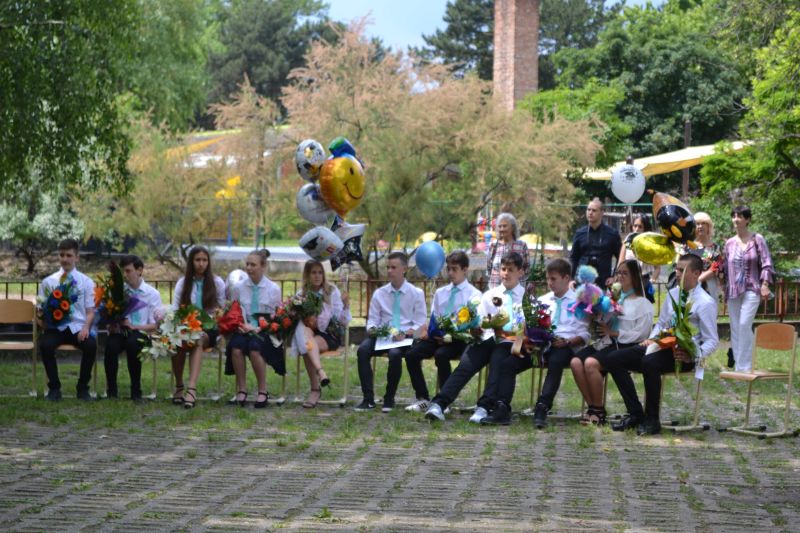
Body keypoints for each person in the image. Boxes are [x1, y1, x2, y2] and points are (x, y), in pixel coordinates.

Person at [597, 254, 718, 435]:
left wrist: (693, 355)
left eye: (682, 270)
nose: (677, 273)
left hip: (683, 354)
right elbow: (661, 324)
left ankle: (652, 419)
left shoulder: (705, 302)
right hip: (660, 345)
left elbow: (712, 340)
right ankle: (636, 413)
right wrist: (652, 339)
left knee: (649, 362)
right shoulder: (673, 294)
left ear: (696, 273)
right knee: (613, 358)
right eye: (676, 269)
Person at [424, 252, 526, 423]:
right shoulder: (490, 295)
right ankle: (439, 404)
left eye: (510, 270)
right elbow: (478, 319)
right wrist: (475, 329)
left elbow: (525, 326)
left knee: (497, 361)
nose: (506, 273)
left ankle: (484, 407)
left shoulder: (526, 297)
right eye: (503, 269)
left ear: (520, 272)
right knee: (466, 365)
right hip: (486, 339)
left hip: (509, 342)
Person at [569, 259, 653, 425]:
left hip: (625, 345)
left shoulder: (643, 303)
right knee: (575, 362)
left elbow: (642, 333)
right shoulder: (609, 299)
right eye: (617, 273)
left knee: (591, 363)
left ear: (635, 277)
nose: (619, 276)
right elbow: (600, 322)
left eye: (625, 273)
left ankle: (598, 412)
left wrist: (614, 332)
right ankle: (593, 407)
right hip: (606, 342)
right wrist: (594, 314)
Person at [403, 251, 481, 412]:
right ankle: (423, 398)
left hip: (458, 339)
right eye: (448, 269)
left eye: (454, 269)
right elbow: (435, 317)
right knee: (411, 354)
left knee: (441, 355)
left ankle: (443, 401)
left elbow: (471, 322)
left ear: (465, 269)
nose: (450, 273)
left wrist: (452, 333)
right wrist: (433, 332)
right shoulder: (441, 292)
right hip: (437, 337)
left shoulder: (474, 294)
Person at [523, 258, 591, 428]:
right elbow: (532, 324)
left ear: (566, 278)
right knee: (511, 359)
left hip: (566, 345)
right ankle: (500, 403)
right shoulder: (543, 300)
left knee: (556, 360)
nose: (549, 283)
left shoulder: (579, 302)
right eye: (547, 279)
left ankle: (542, 406)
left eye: (553, 279)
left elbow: (584, 333)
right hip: (542, 344)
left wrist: (568, 341)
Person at [355, 252, 427, 412]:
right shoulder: (379, 293)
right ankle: (368, 399)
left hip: (404, 338)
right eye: (388, 267)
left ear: (404, 269)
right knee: (363, 350)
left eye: (393, 267)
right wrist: (373, 330)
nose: (389, 271)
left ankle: (389, 398)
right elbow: (372, 321)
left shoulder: (416, 293)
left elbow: (420, 324)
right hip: (382, 336)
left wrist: (407, 333)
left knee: (395, 354)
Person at [37, 239, 97, 401]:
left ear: (77, 257)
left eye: (69, 255)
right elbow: (40, 310)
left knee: (91, 345)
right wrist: (42, 321)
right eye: (62, 255)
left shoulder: (87, 282)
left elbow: (90, 311)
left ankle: (82, 389)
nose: (64, 259)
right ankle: (54, 389)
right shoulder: (48, 282)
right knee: (45, 345)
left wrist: (86, 328)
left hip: (78, 327)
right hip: (56, 328)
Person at [291, 259, 352, 408]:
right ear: (307, 275)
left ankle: (315, 389)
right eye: (313, 273)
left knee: (307, 346)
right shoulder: (301, 294)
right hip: (309, 333)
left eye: (320, 272)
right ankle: (320, 374)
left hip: (328, 333)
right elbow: (297, 319)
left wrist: (345, 306)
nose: (317, 276)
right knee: (306, 339)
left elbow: (341, 321)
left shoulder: (331, 291)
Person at [171, 246, 226, 409]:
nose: (201, 264)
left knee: (198, 339)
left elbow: (221, 309)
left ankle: (192, 388)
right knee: (177, 343)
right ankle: (179, 386)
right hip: (186, 325)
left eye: (204, 260)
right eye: (197, 260)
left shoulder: (217, 282)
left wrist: (208, 321)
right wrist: (183, 324)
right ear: (191, 262)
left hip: (209, 328)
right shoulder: (183, 283)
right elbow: (175, 309)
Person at [103, 255, 163, 401]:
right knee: (110, 345)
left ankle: (136, 390)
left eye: (128, 271)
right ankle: (111, 391)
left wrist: (134, 326)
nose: (125, 275)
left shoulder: (152, 293)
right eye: (123, 271)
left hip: (141, 332)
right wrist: (111, 323)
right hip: (120, 331)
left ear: (139, 270)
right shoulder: (118, 291)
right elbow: (110, 314)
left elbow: (154, 325)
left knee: (133, 344)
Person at [722, 205, 774, 372]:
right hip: (733, 290)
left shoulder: (757, 239)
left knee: (744, 324)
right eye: (734, 216)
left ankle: (745, 366)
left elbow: (767, 263)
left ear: (748, 219)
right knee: (736, 327)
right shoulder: (729, 243)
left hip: (752, 288)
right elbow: (725, 267)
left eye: (740, 216)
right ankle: (740, 366)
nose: (736, 219)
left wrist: (765, 284)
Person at [229, 249, 282, 409]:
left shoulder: (273, 288)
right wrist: (241, 325)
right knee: (236, 347)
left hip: (264, 331)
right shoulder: (238, 287)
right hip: (243, 328)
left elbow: (276, 316)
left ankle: (262, 390)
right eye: (247, 264)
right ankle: (242, 389)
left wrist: (259, 328)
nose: (249, 268)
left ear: (263, 266)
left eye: (253, 265)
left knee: (254, 348)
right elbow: (234, 311)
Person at [571, 198, 622, 287]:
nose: (590, 213)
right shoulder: (580, 233)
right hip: (582, 283)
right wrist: (571, 279)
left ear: (602, 213)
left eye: (594, 210)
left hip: (603, 282)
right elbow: (573, 258)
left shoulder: (612, 234)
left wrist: (614, 276)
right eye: (588, 210)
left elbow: (621, 257)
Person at [618, 213, 660, 302]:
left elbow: (657, 268)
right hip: (627, 281)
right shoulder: (627, 241)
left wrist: (652, 280)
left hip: (644, 282)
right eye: (635, 226)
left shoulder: (651, 245)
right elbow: (620, 263)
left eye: (640, 227)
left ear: (645, 229)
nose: (637, 229)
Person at [485, 212, 529, 289]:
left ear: (512, 227)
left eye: (504, 226)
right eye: (499, 226)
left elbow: (526, 269)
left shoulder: (522, 245)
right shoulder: (494, 245)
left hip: (515, 290)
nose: (501, 229)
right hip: (496, 289)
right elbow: (489, 268)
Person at [691, 212, 724, 303]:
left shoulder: (715, 248)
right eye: (697, 224)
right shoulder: (687, 246)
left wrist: (697, 280)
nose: (700, 226)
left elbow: (716, 268)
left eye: (703, 223)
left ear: (709, 226)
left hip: (708, 289)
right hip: (688, 288)